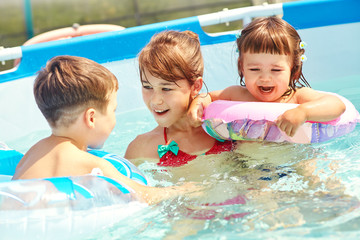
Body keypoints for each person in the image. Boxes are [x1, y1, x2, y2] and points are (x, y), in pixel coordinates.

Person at [12, 55, 200, 205]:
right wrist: (186, 189)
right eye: (113, 110)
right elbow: (144, 196)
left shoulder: (32, 154)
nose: (114, 119)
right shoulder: (90, 164)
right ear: (91, 118)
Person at [188, 16, 346, 137]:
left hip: (294, 159)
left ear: (293, 70)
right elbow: (207, 97)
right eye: (255, 69)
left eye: (276, 70)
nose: (265, 78)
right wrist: (197, 104)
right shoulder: (236, 94)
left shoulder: (297, 98)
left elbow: (337, 105)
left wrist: (303, 112)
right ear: (242, 68)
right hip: (247, 165)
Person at [124, 30, 234, 166]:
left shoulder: (224, 125)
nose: (155, 100)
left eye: (166, 89)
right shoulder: (142, 148)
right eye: (147, 87)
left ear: (195, 86)